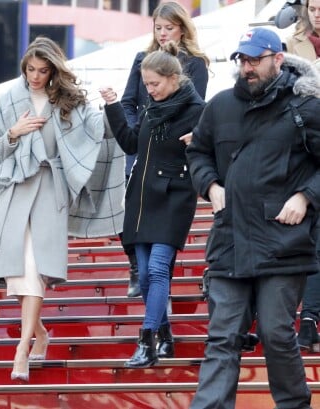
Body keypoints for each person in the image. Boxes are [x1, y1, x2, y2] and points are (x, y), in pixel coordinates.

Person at [187, 27, 320, 408]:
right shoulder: (221, 105)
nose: (247, 67)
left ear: (277, 59)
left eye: (254, 60)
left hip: (282, 241)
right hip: (230, 240)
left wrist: (305, 196)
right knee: (222, 336)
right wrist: (211, 187)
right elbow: (197, 152)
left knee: (278, 334)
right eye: (242, 60)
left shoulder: (305, 106)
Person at [0, 36, 124, 382]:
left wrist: (113, 105)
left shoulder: (69, 101)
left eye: (42, 70)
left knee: (34, 267)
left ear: (53, 70)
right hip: (16, 189)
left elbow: (99, 133)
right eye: (30, 69)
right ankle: (41, 333)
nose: (35, 76)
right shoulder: (7, 99)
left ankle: (22, 347)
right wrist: (14, 134)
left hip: (50, 190)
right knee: (17, 273)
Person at [100, 41, 205, 368]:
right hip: (142, 199)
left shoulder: (198, 111)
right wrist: (114, 106)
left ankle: (146, 341)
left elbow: (217, 149)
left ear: (174, 78)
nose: (150, 90)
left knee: (159, 269)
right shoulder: (149, 108)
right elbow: (132, 142)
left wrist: (198, 142)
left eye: (155, 84)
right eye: (146, 84)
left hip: (174, 196)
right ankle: (165, 336)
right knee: (144, 275)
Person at [119, 1, 209, 298]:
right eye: (158, 28)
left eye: (168, 28)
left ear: (182, 28)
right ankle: (136, 267)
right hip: (141, 141)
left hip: (173, 147)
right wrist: (138, 126)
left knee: (162, 242)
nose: (162, 34)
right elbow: (128, 101)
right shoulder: (141, 58)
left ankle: (156, 284)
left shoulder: (195, 62)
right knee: (132, 209)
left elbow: (195, 105)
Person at [286, 0, 320, 351]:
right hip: (305, 143)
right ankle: (308, 318)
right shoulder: (291, 44)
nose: (317, 12)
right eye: (312, 6)